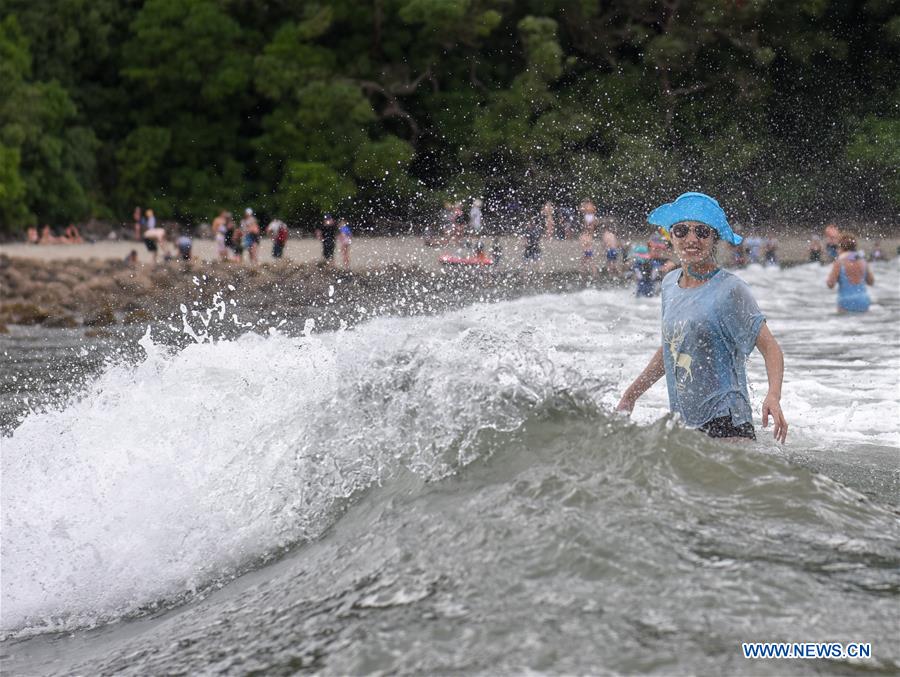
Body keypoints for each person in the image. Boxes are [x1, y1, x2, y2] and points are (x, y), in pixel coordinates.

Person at [617, 192, 787, 443]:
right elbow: (671, 348)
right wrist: (631, 395)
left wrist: (773, 395)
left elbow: (771, 348)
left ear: (714, 239)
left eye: (702, 232)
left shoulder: (730, 289)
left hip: (728, 422)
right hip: (686, 424)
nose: (691, 239)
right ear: (671, 237)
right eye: (682, 231)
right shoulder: (669, 285)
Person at [826, 233, 873, 313]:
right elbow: (871, 282)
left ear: (841, 247)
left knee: (845, 324)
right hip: (863, 300)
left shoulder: (839, 262)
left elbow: (831, 284)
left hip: (846, 301)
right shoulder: (862, 261)